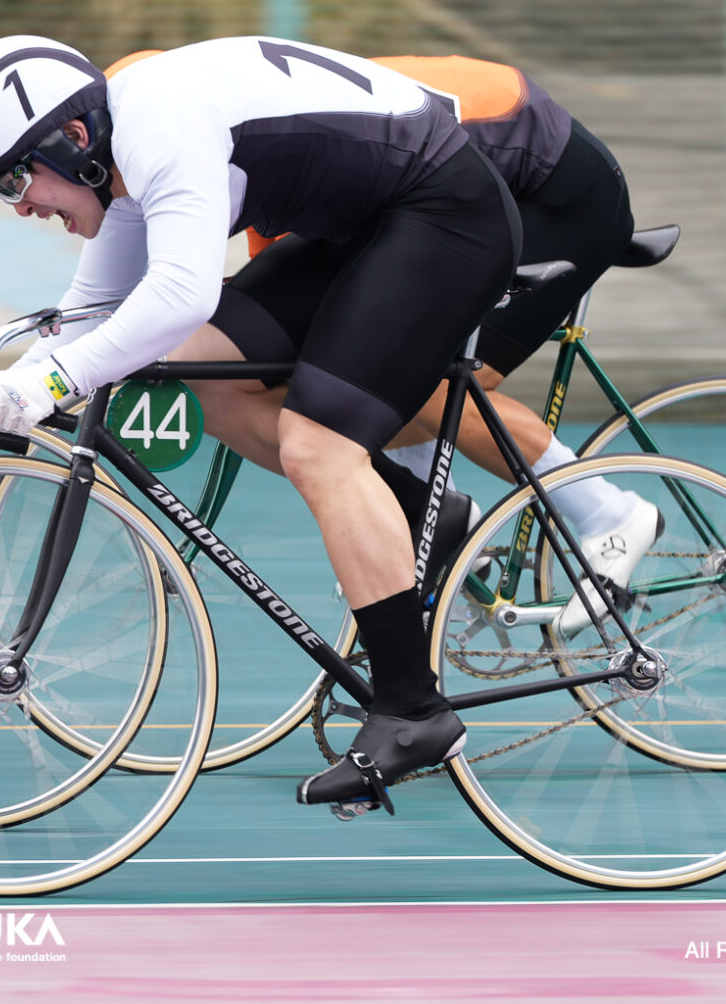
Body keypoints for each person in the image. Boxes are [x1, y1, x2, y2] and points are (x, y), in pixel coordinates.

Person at [0, 34, 521, 808]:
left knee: (319, 446)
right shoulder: (118, 157)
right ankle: (419, 518)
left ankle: (412, 709)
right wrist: (2, 391)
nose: (21, 204)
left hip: (445, 215)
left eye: (15, 176)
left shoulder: (156, 127)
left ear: (72, 140)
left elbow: (179, 293)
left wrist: (50, 379)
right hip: (369, 227)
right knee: (189, 370)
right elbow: (91, 318)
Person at [237, 53, 658, 635]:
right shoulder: (258, 132)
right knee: (365, 359)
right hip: (473, 186)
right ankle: (444, 530)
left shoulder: (271, 142)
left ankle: (611, 513)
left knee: (425, 380)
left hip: (557, 194)